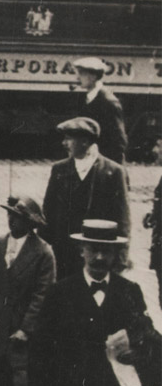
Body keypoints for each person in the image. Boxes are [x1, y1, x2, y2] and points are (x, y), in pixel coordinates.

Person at [29, 219, 160, 386]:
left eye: (106, 251)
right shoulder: (60, 293)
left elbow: (148, 339)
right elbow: (41, 344)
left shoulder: (129, 291)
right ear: (82, 250)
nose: (99, 257)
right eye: (93, 250)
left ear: (115, 253)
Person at [0, 195, 53, 386]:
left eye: (18, 217)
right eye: (10, 214)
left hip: (21, 329)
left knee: (21, 382)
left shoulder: (43, 252)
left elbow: (42, 295)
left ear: (30, 222)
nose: (12, 220)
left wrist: (27, 328)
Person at [42, 116, 129, 279]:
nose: (64, 143)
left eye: (69, 139)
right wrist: (42, 254)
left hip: (97, 256)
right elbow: (48, 214)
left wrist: (120, 259)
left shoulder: (112, 172)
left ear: (85, 140)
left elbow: (122, 218)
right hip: (63, 255)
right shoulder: (59, 170)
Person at [71, 55, 129, 162]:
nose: (77, 78)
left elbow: (119, 142)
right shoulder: (88, 98)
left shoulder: (109, 102)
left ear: (93, 77)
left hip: (103, 165)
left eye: (81, 74)